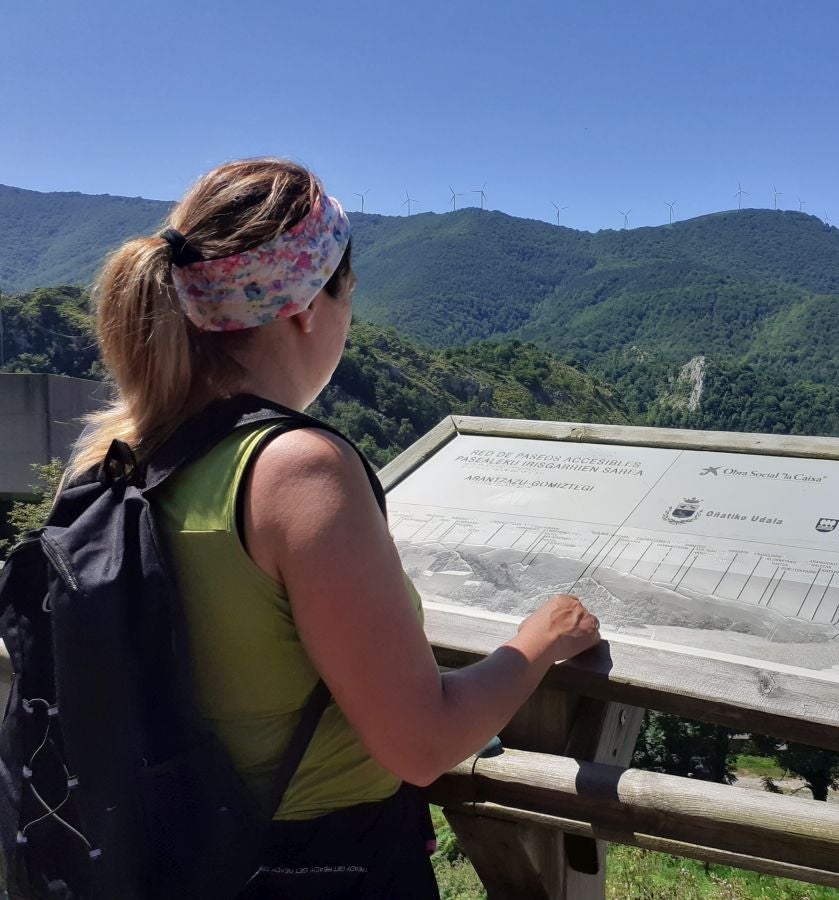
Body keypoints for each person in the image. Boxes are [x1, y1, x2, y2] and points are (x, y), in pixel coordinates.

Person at [73, 157, 601, 897]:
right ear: (306, 308)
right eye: (347, 290)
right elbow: (421, 742)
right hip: (312, 865)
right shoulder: (298, 473)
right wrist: (540, 641)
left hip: (154, 853)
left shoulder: (110, 456)